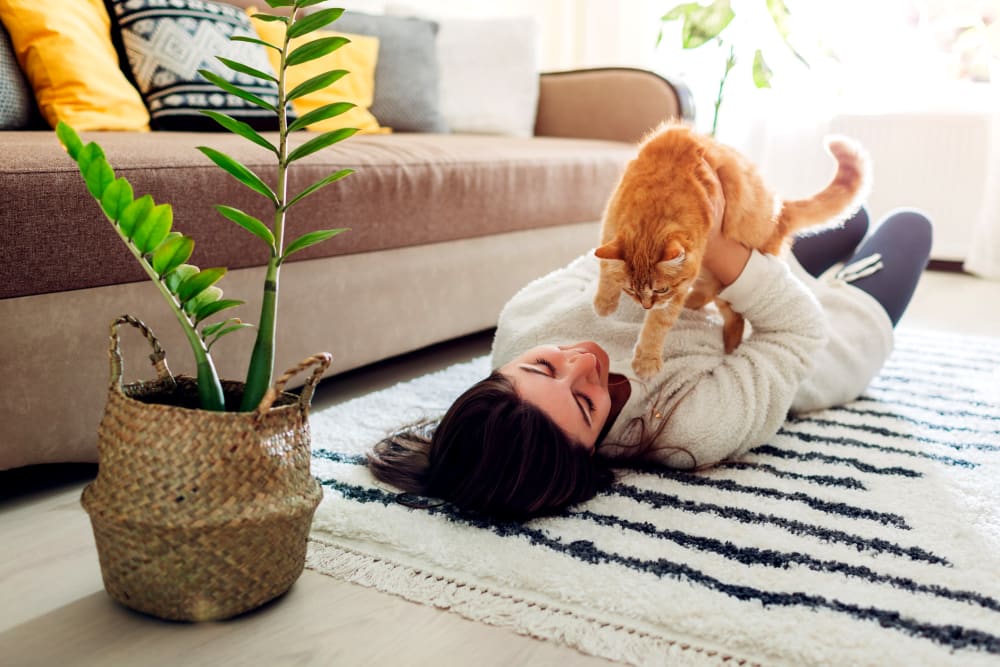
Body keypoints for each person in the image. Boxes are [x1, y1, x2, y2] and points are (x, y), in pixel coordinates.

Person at [368, 187, 933, 519]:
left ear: (510, 364)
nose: (584, 361)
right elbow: (795, 331)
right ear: (590, 454)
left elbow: (603, 258)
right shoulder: (687, 432)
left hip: (724, 279)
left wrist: (692, 228)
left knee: (849, 213)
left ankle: (785, 249)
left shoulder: (523, 323)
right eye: (587, 404)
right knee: (910, 226)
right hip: (813, 335)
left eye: (544, 365)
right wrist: (721, 250)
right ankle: (840, 279)